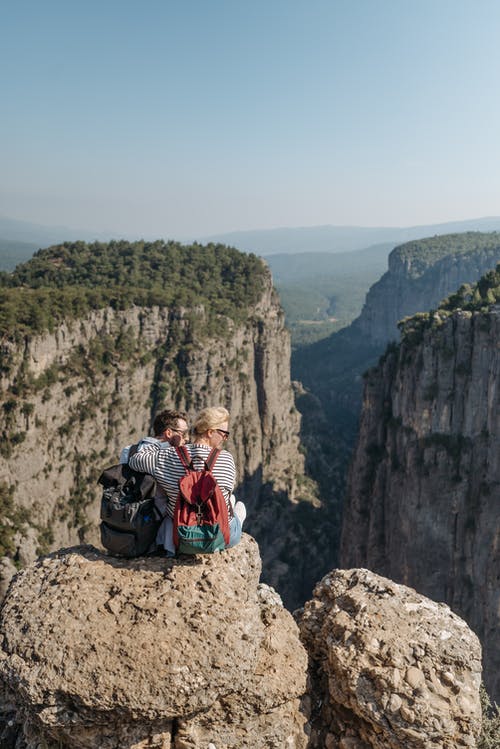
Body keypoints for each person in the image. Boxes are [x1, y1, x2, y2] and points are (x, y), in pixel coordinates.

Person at [128, 406, 246, 554]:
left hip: (182, 535)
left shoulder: (169, 456)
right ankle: (236, 520)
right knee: (237, 504)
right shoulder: (226, 459)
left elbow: (135, 460)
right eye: (224, 434)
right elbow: (227, 492)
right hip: (220, 535)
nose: (225, 438)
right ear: (210, 432)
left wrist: (166, 444)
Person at [119, 409, 189, 463]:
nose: (187, 438)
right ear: (168, 433)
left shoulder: (128, 451)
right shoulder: (172, 457)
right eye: (184, 433)